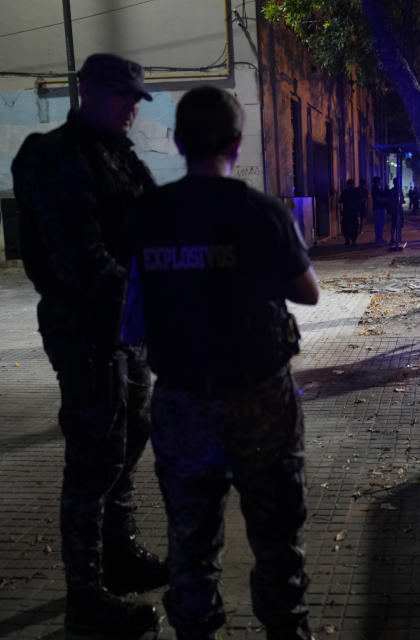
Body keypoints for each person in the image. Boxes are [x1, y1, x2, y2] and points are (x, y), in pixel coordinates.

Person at [128, 86, 319, 640]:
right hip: (258, 396)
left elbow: (133, 294)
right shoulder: (260, 211)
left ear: (177, 140)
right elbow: (307, 293)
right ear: (237, 143)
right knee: (277, 535)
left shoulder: (148, 214)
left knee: (190, 538)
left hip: (181, 397)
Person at [10, 52, 166, 636]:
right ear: (87, 91)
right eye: (119, 96)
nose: (129, 108)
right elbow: (79, 260)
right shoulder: (52, 157)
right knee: (93, 454)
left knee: (132, 434)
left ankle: (119, 556)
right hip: (83, 328)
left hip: (126, 326)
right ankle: (85, 595)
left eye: (134, 99)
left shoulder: (120, 157)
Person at [338, 178, 364, 246]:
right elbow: (361, 200)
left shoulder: (345, 191)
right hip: (353, 212)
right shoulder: (356, 191)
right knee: (353, 227)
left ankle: (348, 240)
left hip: (347, 212)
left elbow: (340, 201)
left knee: (346, 227)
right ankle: (353, 240)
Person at [371, 176, 389, 243]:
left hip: (379, 208)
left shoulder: (377, 188)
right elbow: (377, 198)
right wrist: (386, 200)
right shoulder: (375, 189)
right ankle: (379, 238)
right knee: (380, 223)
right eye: (379, 181)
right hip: (378, 208)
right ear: (377, 182)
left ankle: (379, 238)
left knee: (380, 223)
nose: (380, 182)